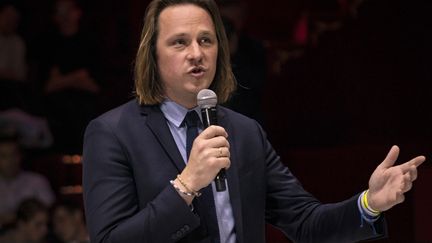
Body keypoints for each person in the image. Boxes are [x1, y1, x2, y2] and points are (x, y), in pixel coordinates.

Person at [82, 0, 425, 242]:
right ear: (153, 56)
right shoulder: (112, 133)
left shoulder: (244, 133)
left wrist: (369, 203)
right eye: (179, 43)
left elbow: (306, 223)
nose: (197, 53)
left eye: (206, 40)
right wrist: (186, 185)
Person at [36, 0, 100, 154]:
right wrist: (77, 78)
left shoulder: (90, 43)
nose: (64, 16)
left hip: (86, 107)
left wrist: (61, 80)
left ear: (78, 13)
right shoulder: (47, 44)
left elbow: (95, 86)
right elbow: (47, 86)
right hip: (55, 109)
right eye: (60, 12)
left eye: (68, 11)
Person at [0, 133, 55, 229]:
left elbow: (51, 214)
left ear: (20, 156)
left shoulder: (37, 182)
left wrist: (17, 218)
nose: (10, 160)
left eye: (14, 154)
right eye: (4, 156)